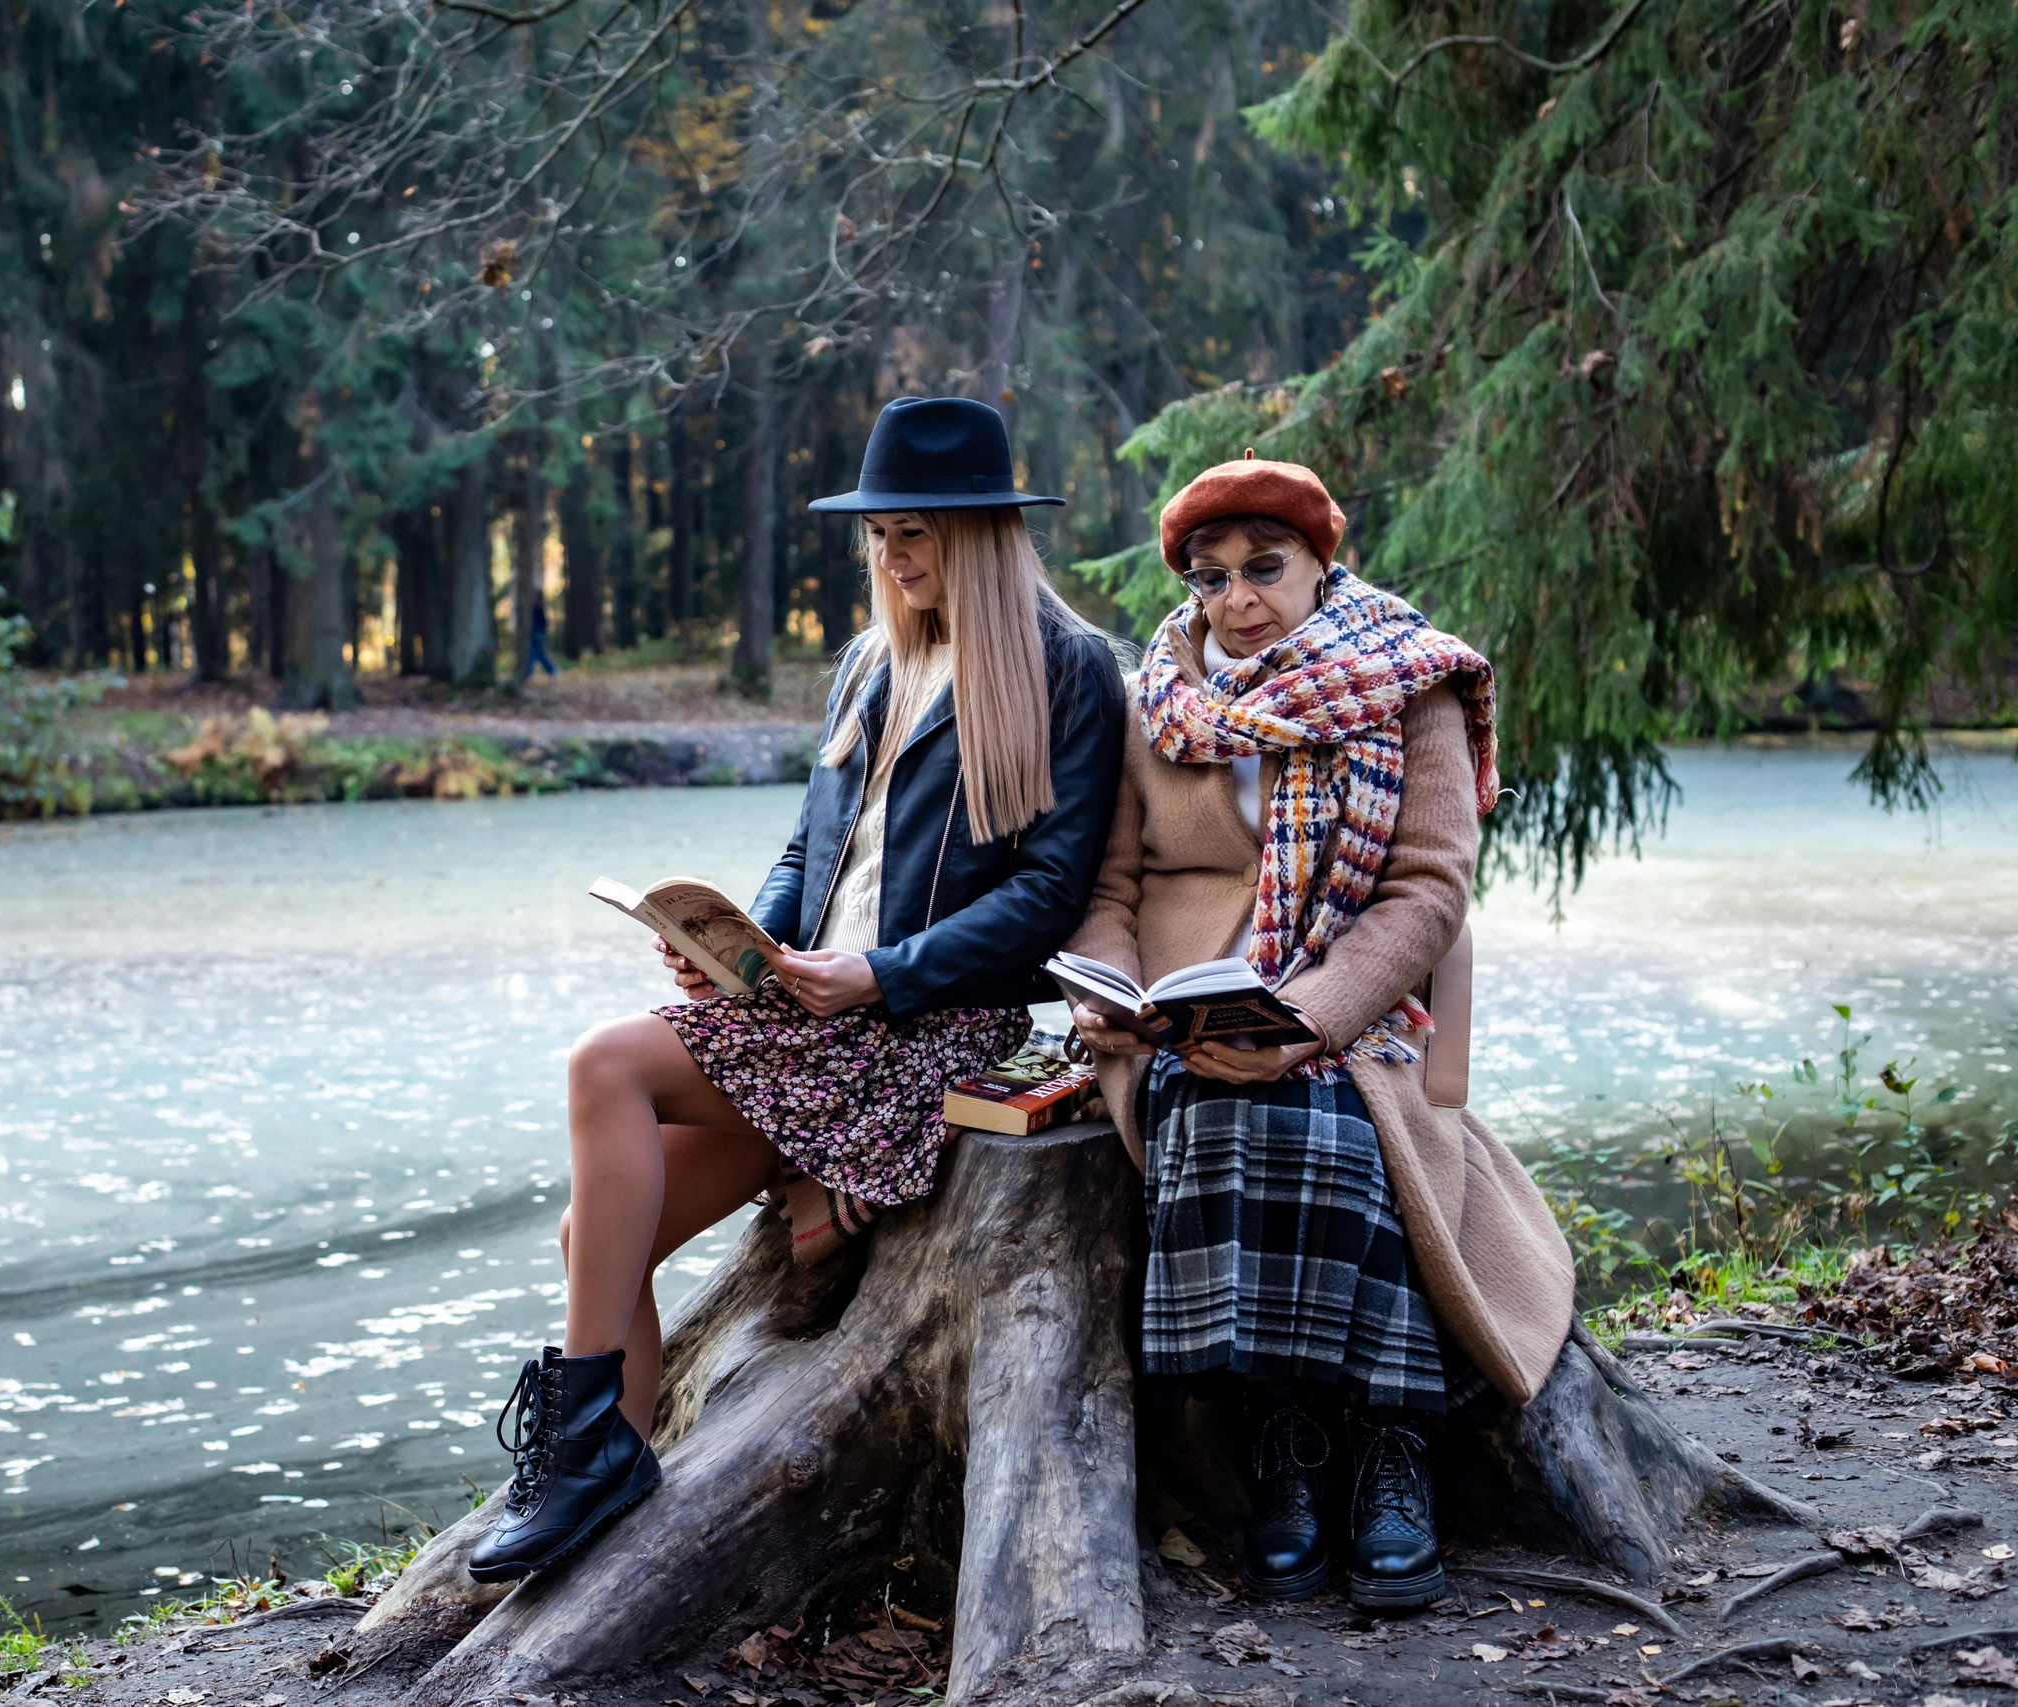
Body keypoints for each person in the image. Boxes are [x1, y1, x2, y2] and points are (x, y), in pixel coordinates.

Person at [468, 396, 1128, 1584]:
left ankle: (581, 1452)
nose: (889, 557)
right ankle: (606, 1465)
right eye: (877, 534)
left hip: (925, 1029)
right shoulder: (874, 666)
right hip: (810, 1018)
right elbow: (805, 850)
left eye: (914, 533)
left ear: (981, 533)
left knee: (602, 1065)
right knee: (591, 1239)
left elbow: (1049, 898)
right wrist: (742, 948)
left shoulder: (1068, 670)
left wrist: (876, 972)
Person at [1063, 452, 1574, 1612]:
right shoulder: (1159, 692)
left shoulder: (1410, 680)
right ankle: (1286, 1445)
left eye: (1262, 569)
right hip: (1179, 1020)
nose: (1233, 599)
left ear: (1318, 565)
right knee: (1213, 1103)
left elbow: (1430, 892)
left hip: (1358, 1007)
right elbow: (1111, 886)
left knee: (1329, 1116)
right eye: (1209, 577)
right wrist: (1111, 993)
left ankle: (1389, 1449)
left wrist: (1308, 1018)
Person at [528, 592, 560, 677]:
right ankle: (552, 670)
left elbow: (544, 623)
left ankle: (551, 670)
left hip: (538, 635)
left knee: (536, 653)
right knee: (536, 653)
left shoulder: (539, 608)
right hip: (535, 634)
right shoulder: (535, 608)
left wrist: (539, 631)